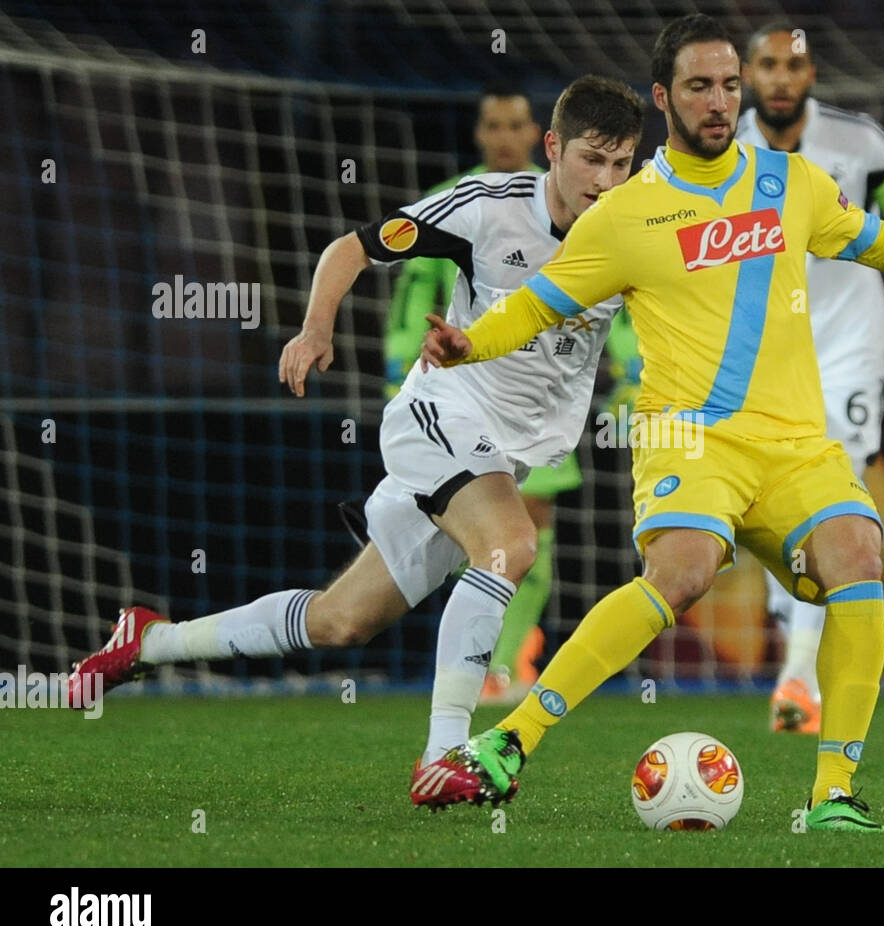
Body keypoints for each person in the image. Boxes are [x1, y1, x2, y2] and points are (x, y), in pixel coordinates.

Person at [417, 13, 884, 832]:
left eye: (729, 84)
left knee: (859, 553)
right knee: (681, 572)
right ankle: (509, 741)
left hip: (796, 444)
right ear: (662, 98)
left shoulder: (790, 183)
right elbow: (534, 307)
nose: (720, 100)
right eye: (699, 86)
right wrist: (468, 343)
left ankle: (832, 793)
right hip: (691, 437)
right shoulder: (623, 213)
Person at [68, 75, 646, 811]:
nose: (605, 181)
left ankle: (150, 642)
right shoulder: (485, 207)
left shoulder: (633, 228)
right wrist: (316, 329)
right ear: (553, 149)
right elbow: (353, 247)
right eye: (591, 160)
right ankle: (444, 756)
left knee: (341, 619)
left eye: (620, 163)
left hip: (510, 453)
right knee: (510, 544)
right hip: (441, 416)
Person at [737, 22, 884, 733]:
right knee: (773, 503)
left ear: (811, 70)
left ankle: (796, 679)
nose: (782, 77)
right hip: (762, 354)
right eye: (768, 65)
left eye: (793, 64)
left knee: (835, 488)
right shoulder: (719, 152)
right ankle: (798, 652)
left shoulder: (862, 143)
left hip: (851, 343)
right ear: (749, 75)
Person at [377, 85, 553, 704]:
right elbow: (415, 284)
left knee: (533, 529)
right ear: (480, 135)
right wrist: (401, 357)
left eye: (515, 124)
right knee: (483, 531)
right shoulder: (461, 198)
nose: (505, 136)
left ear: (537, 135)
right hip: (462, 388)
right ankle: (477, 666)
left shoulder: (569, 201)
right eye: (493, 125)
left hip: (541, 395)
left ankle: (504, 664)